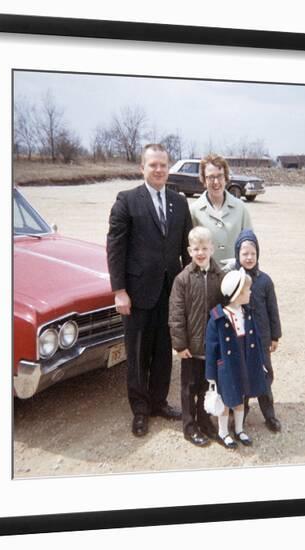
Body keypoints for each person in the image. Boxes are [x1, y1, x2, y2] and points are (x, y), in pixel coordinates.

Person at [107, 143, 192, 437]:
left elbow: (186, 249)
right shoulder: (127, 200)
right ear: (142, 167)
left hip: (170, 292)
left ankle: (158, 402)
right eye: (152, 165)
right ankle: (140, 410)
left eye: (163, 165)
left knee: (163, 353)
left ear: (169, 168)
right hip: (137, 293)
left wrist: (189, 288)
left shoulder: (179, 203)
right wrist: (119, 290)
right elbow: (115, 249)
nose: (158, 170)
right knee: (138, 353)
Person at [168, 226, 223, 446]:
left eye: (204, 248)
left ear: (211, 248)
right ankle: (189, 426)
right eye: (196, 249)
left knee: (206, 385)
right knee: (189, 386)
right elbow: (176, 314)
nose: (200, 253)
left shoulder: (220, 277)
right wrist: (180, 344)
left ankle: (204, 420)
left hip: (211, 345)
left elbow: (226, 308)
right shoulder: (182, 280)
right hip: (190, 346)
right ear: (189, 251)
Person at [205, 268, 268, 449]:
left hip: (245, 361)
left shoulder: (246, 313)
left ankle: (239, 429)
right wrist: (211, 374)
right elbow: (210, 348)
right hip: (226, 365)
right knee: (226, 400)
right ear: (237, 294)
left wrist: (260, 363)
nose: (250, 292)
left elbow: (254, 339)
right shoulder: (218, 318)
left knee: (240, 398)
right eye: (247, 290)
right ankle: (223, 432)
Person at [235, 229, 282, 432]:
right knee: (243, 375)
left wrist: (274, 336)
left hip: (261, 338)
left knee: (264, 375)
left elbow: (273, 310)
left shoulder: (265, 281)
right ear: (237, 254)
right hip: (242, 339)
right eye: (244, 253)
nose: (249, 257)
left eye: (253, 253)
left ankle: (269, 414)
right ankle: (240, 415)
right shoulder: (233, 279)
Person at [190, 154, 253, 271]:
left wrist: (238, 262)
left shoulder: (240, 208)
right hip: (205, 279)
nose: (216, 182)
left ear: (226, 177)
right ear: (203, 180)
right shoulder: (194, 210)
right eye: (210, 177)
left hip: (236, 277)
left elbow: (250, 246)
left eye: (219, 176)